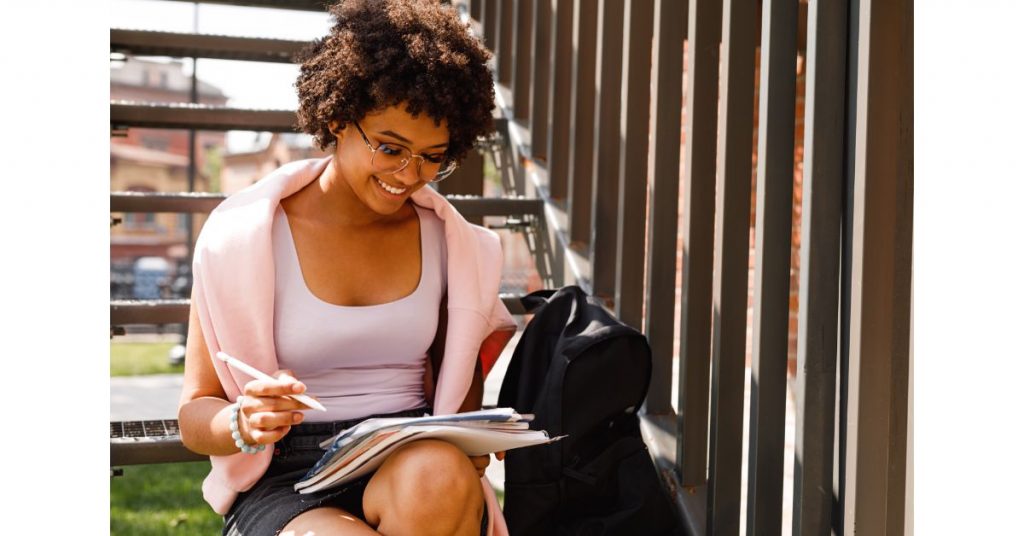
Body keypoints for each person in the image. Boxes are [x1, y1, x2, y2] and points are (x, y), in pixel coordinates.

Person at [177, 1, 517, 534]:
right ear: (338, 117)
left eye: (433, 157)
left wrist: (470, 443)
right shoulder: (243, 237)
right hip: (285, 475)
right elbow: (195, 413)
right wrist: (242, 421)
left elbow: (459, 372)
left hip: (408, 454)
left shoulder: (452, 244)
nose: (409, 175)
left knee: (440, 473)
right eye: (390, 148)